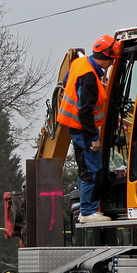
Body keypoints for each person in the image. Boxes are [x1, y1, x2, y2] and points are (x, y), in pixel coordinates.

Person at [56, 35, 120, 225]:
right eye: (112, 59)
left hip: (75, 127)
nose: (112, 63)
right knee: (91, 169)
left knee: (87, 167)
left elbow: (68, 82)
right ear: (107, 58)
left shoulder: (80, 63)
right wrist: (93, 138)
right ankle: (88, 211)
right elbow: (85, 111)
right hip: (83, 129)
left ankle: (88, 209)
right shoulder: (90, 77)